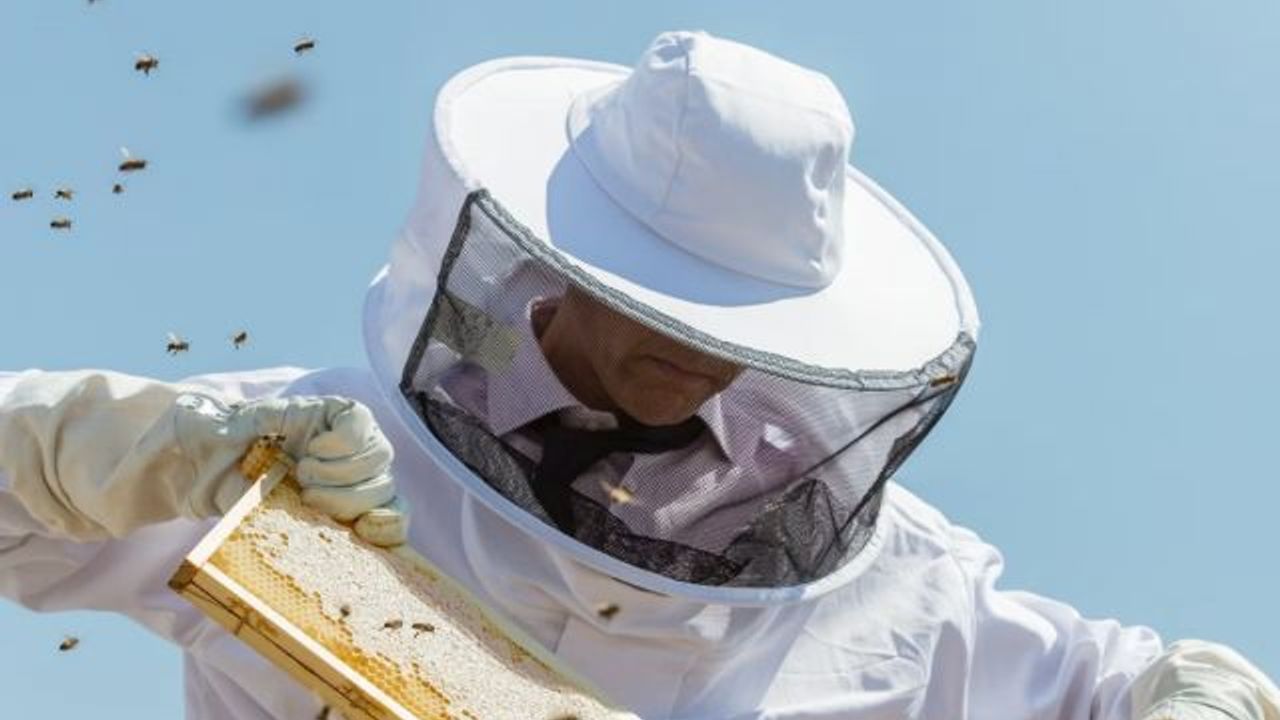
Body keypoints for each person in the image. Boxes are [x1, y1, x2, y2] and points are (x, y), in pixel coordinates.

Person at [2, 30, 1277, 720]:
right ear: (556, 264)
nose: (707, 352)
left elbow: (1130, 686)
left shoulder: (896, 581)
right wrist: (102, 451)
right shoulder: (307, 460)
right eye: (664, 300)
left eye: (748, 318)